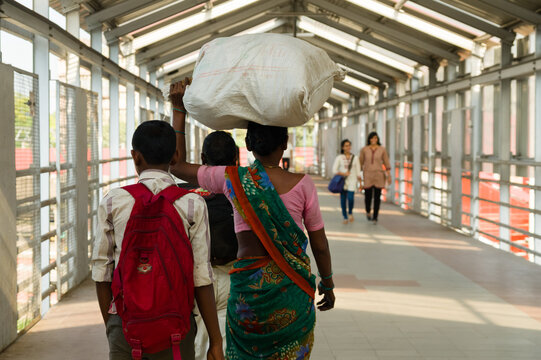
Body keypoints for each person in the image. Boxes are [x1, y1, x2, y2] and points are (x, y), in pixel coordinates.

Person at [169, 78, 335, 360]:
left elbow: (176, 166)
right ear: (285, 142)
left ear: (246, 144)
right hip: (292, 292)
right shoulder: (304, 184)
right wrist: (327, 283)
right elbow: (319, 244)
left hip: (249, 298)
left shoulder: (233, 180)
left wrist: (178, 110)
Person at [91, 120, 224, 360]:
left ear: (135, 156)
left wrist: (113, 325)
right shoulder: (192, 203)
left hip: (125, 327)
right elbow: (201, 277)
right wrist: (215, 340)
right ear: (175, 156)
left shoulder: (113, 202)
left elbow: (102, 272)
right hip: (176, 329)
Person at [178, 130, 238, 360]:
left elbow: (177, 164)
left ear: (203, 159)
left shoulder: (183, 194)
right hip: (235, 277)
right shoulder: (246, 192)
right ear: (236, 158)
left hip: (196, 281)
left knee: (201, 341)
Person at [359, 131, 391, 224]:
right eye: (372, 138)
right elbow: (360, 163)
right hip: (368, 174)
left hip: (379, 175)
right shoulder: (364, 149)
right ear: (369, 139)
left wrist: (389, 175)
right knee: (368, 196)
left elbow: (386, 162)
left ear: (378, 139)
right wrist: (358, 176)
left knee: (377, 197)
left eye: (375, 138)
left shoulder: (382, 149)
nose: (374, 140)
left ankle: (375, 217)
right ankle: (368, 211)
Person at [332, 139, 362, 224]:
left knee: (351, 198)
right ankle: (345, 217)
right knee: (343, 200)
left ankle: (350, 213)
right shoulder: (339, 158)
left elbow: (358, 171)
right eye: (346, 145)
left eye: (349, 145)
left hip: (352, 181)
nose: (348, 147)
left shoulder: (355, 158)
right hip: (342, 181)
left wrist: (360, 183)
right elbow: (334, 170)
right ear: (342, 147)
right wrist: (343, 173)